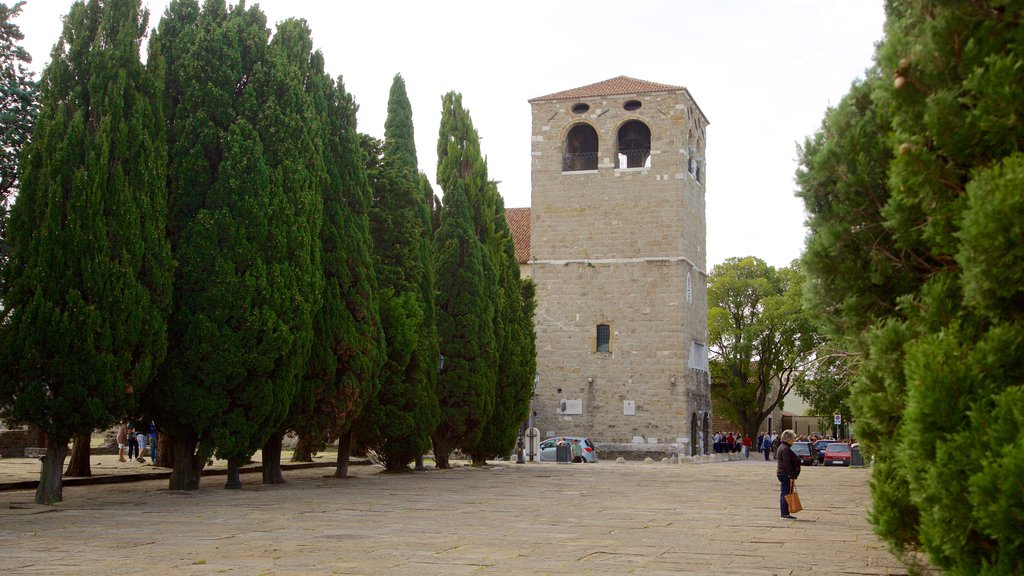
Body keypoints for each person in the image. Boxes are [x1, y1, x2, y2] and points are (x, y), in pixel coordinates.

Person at [776, 429, 801, 519]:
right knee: (785, 493)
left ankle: (785, 512)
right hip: (785, 474)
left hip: (783, 473)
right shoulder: (785, 449)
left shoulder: (783, 447)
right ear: (788, 439)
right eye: (793, 438)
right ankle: (784, 513)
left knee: (785, 493)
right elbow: (787, 463)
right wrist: (791, 475)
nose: (794, 440)